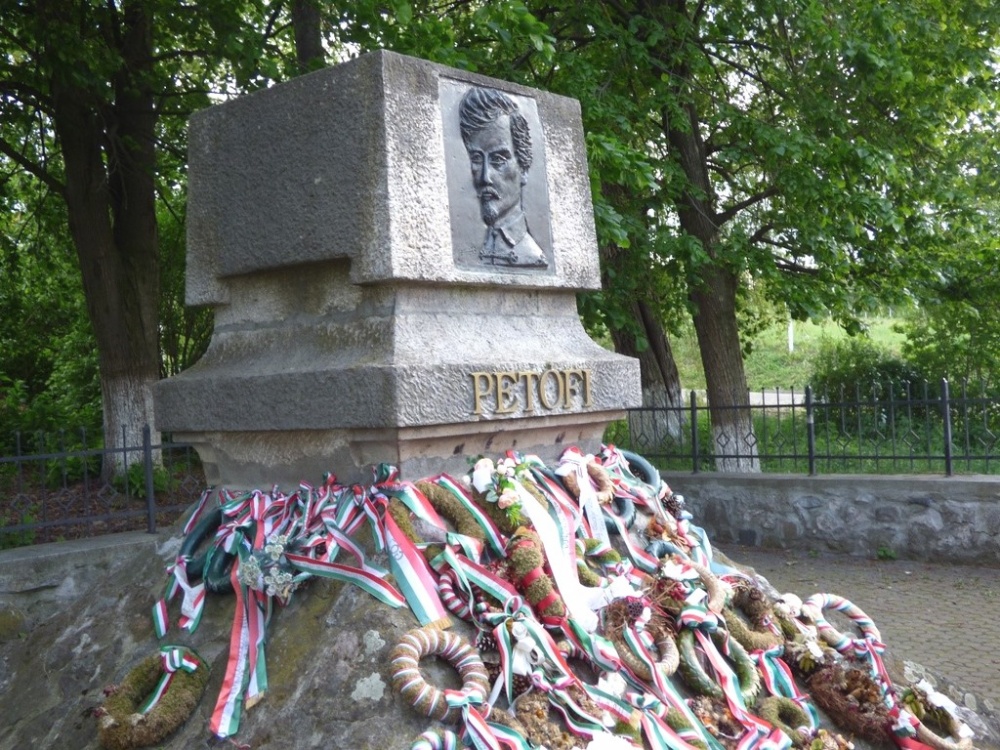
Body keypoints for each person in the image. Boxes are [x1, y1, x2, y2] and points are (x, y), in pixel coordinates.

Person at [458, 87, 547, 268]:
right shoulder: (473, 249)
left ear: (523, 168)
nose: (485, 177)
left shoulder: (532, 256)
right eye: (476, 159)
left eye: (498, 159)